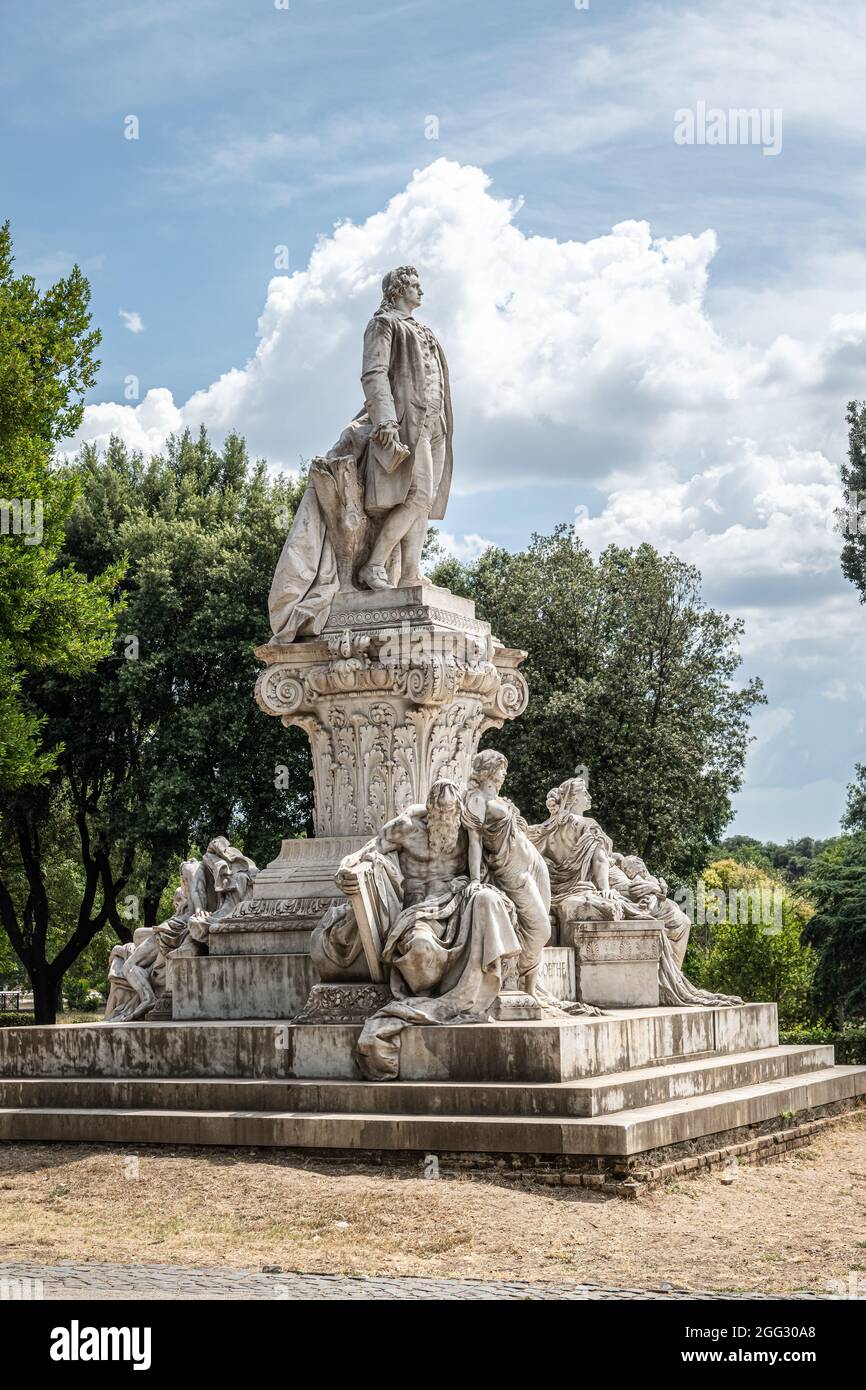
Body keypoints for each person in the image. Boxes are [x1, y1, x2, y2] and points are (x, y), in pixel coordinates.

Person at [462, 749, 551, 998]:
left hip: (534, 866)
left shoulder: (497, 798)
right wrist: (476, 880)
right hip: (513, 871)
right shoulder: (477, 799)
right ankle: (513, 974)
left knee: (540, 926)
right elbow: (475, 841)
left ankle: (530, 988)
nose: (504, 773)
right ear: (489, 770)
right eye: (501, 768)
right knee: (541, 930)